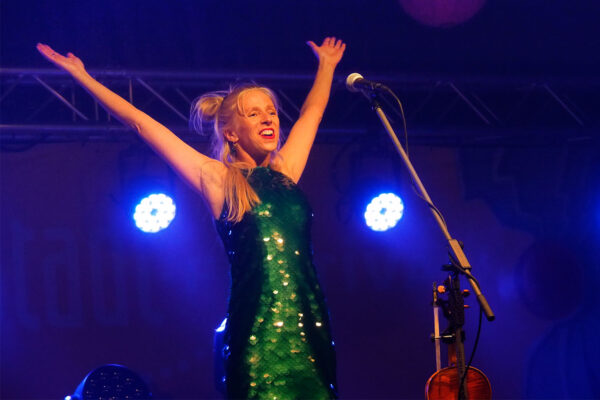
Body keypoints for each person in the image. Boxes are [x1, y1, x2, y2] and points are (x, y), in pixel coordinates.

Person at [37, 37, 346, 399]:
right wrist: (81, 76)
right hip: (260, 336)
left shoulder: (286, 172)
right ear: (231, 132)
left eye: (272, 111)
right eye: (254, 113)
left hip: (310, 328)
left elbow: (312, 114)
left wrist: (326, 66)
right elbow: (142, 124)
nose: (268, 119)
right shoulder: (220, 180)